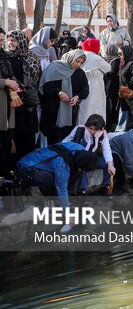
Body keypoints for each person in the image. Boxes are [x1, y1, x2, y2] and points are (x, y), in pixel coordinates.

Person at [16, 143, 98, 207]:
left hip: (47, 165)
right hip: (26, 167)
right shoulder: (62, 165)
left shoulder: (80, 149)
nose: (81, 170)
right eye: (82, 168)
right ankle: (53, 200)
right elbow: (62, 189)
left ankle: (63, 199)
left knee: (75, 172)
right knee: (47, 179)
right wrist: (66, 212)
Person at [39, 49, 89, 144]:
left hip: (70, 111)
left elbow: (85, 90)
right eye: (77, 61)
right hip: (53, 109)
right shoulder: (54, 67)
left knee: (67, 137)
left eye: (81, 63)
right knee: (52, 137)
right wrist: (59, 92)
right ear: (70, 58)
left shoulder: (79, 73)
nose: (78, 64)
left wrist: (77, 97)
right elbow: (45, 86)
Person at [6, 30, 41, 166]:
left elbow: (36, 79)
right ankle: (13, 167)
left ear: (21, 41)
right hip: (12, 102)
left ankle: (28, 168)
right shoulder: (6, 58)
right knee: (14, 136)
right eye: (9, 40)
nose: (10, 43)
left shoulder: (32, 57)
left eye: (13, 40)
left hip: (29, 103)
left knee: (28, 136)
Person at [63, 114, 116, 193]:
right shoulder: (80, 129)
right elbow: (65, 141)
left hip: (94, 158)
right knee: (83, 164)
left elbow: (107, 149)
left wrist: (110, 165)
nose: (92, 131)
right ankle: (83, 190)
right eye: (90, 128)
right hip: (79, 158)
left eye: (96, 129)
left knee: (108, 163)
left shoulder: (103, 135)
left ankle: (106, 186)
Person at [79, 39, 111, 124]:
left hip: (81, 85)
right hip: (95, 86)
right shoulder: (96, 58)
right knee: (95, 108)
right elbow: (108, 68)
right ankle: (96, 127)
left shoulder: (80, 55)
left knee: (83, 109)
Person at [0, 45, 17, 178]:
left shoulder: (5, 56)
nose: (2, 43)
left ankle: (4, 172)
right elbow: (7, 80)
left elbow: (11, 77)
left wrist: (12, 85)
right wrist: (5, 82)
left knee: (6, 140)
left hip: (7, 104)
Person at [103, 44, 121, 131]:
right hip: (105, 85)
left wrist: (102, 70)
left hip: (112, 86)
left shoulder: (116, 60)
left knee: (111, 105)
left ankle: (109, 125)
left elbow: (112, 72)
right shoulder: (105, 58)